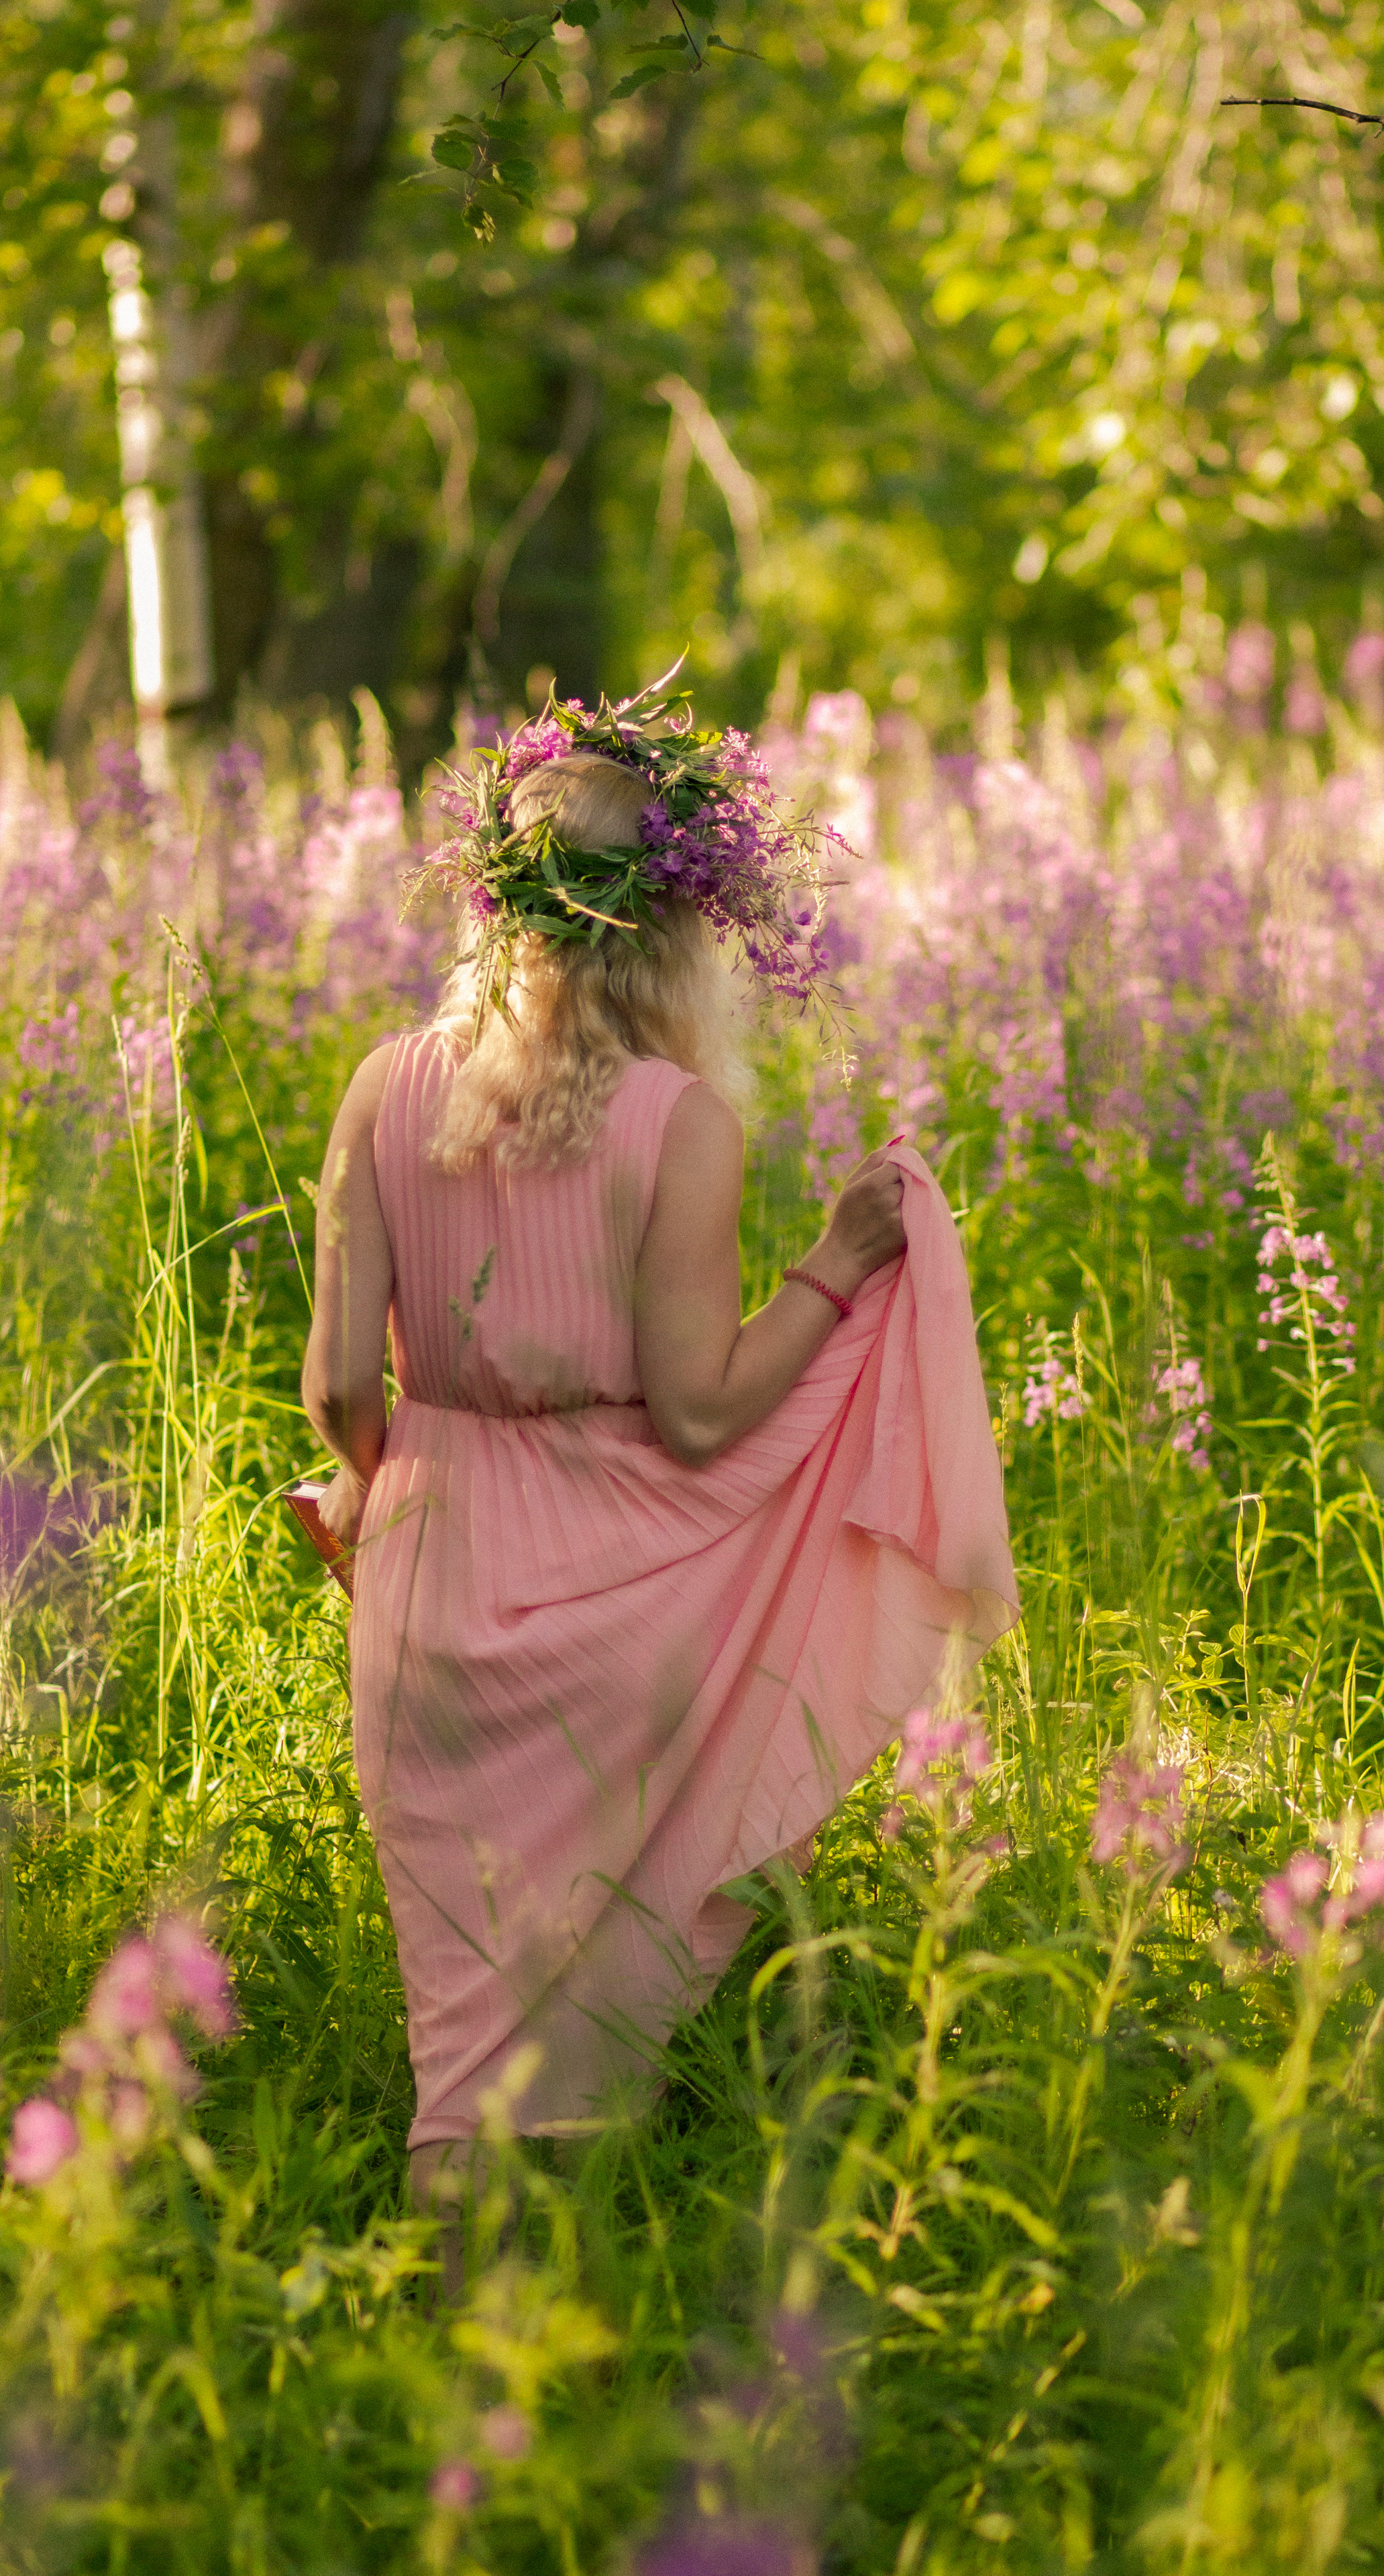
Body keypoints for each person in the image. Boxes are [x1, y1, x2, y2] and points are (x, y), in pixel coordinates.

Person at [299, 691, 1016, 2269]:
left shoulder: (382, 1086)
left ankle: (445, 2341)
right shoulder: (673, 1124)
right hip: (619, 1595)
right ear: (678, 927)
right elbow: (699, 1418)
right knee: (583, 1985)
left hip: (427, 1577)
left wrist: (371, 1482)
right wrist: (838, 1263)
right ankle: (567, 2328)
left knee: (459, 2028)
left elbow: (341, 1389)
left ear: (493, 899)